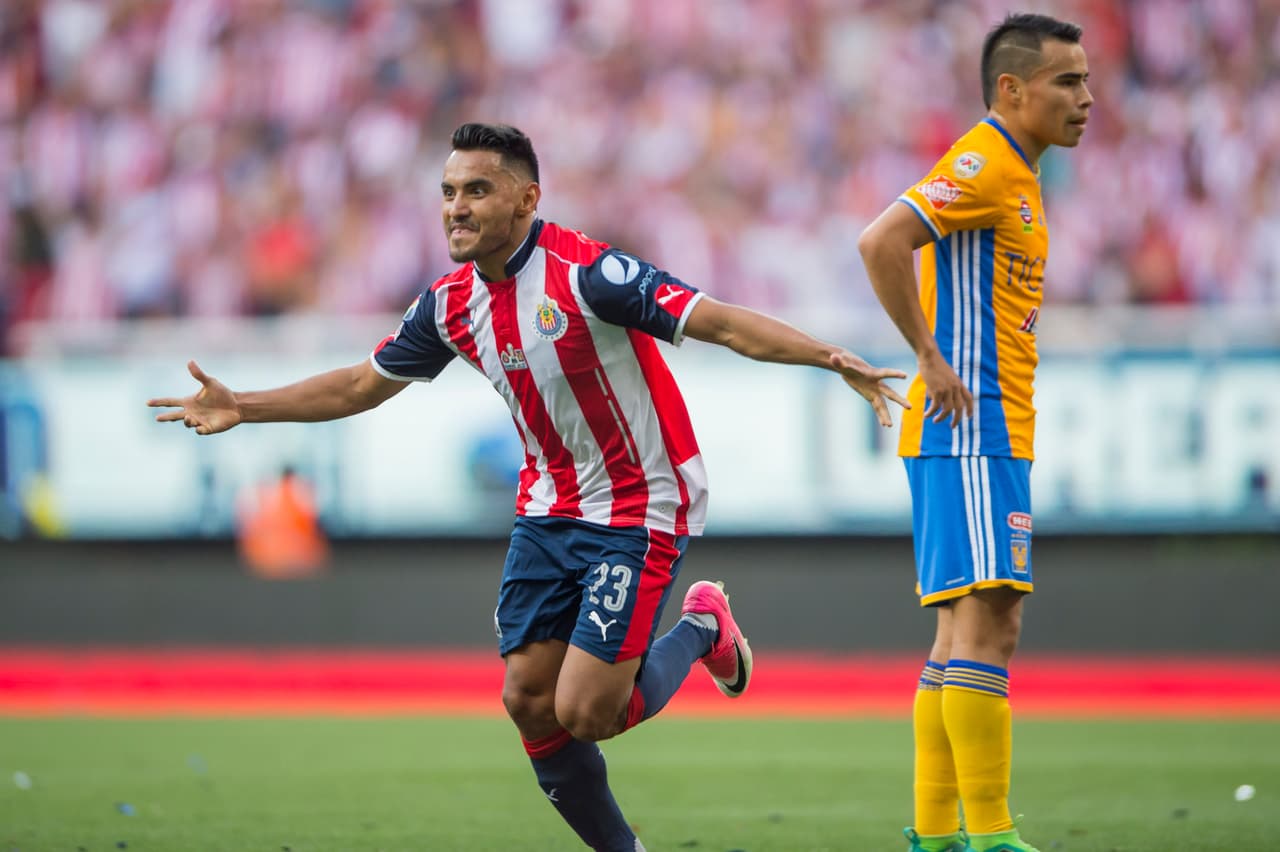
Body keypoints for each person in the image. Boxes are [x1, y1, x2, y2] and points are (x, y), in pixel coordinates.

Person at [149, 122, 909, 851]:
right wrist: (243, 406)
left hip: (641, 503)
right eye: (448, 191)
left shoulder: (591, 274)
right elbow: (358, 386)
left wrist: (829, 358)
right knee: (527, 699)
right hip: (548, 508)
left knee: (586, 710)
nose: (456, 207)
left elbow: (719, 324)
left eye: (477, 190)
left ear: (526, 200)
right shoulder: (450, 304)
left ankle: (705, 627)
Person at [857, 14, 1092, 852]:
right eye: (1068, 82)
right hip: (971, 425)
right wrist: (926, 352)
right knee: (991, 624)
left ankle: (934, 833)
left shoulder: (1020, 174)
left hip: (984, 427)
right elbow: (881, 238)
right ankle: (989, 836)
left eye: (1088, 80)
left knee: (962, 631)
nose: (1087, 98)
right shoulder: (986, 162)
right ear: (1012, 89)